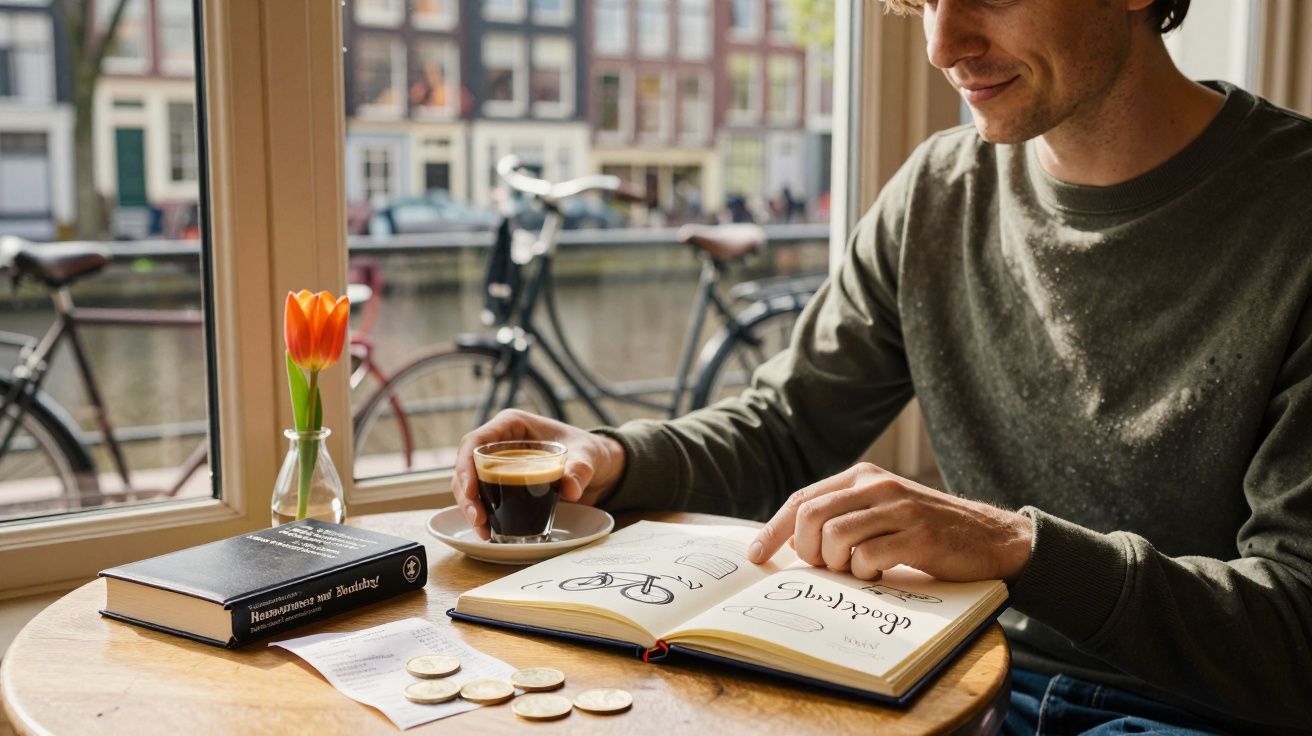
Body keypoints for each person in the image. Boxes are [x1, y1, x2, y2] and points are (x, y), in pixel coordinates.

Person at [452, 0, 1312, 732]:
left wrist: (1016, 548)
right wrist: (612, 457)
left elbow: (1296, 622)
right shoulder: (938, 190)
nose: (942, 45)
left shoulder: (1292, 214)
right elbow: (786, 426)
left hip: (1192, 712)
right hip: (956, 681)